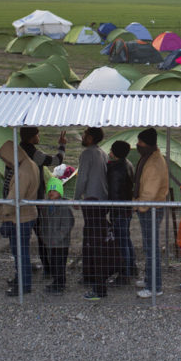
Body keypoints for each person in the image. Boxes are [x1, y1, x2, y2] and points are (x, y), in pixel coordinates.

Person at [18, 127, 66, 281]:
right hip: (35, 200)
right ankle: (48, 268)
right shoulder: (33, 153)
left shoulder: (17, 151)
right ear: (32, 137)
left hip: (20, 198)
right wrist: (62, 145)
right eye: (37, 135)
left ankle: (22, 268)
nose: (39, 137)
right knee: (42, 234)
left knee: (22, 237)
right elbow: (56, 161)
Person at [0, 140, 39, 297]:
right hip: (27, 214)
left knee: (20, 252)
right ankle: (21, 279)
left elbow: (14, 197)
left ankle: (24, 284)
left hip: (20, 217)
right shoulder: (30, 164)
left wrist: (4, 214)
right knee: (20, 251)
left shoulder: (22, 172)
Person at [132, 128, 169, 298]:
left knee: (151, 248)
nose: (137, 145)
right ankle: (149, 280)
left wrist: (139, 205)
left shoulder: (154, 163)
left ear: (147, 143)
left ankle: (155, 286)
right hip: (149, 208)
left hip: (151, 209)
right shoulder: (150, 157)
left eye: (140, 142)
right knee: (149, 247)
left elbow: (149, 193)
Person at [74, 127, 109, 301]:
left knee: (93, 241)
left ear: (91, 138)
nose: (82, 136)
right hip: (102, 200)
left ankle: (98, 284)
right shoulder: (103, 153)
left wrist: (76, 198)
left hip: (91, 200)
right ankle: (90, 275)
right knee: (94, 238)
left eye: (85, 134)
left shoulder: (87, 154)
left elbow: (82, 178)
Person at [107, 140, 135, 285]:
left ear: (115, 153)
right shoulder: (128, 164)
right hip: (127, 209)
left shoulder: (116, 170)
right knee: (126, 239)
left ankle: (124, 274)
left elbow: (114, 193)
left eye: (111, 150)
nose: (109, 153)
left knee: (121, 241)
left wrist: (109, 209)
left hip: (119, 211)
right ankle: (132, 268)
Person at [42, 177, 75, 294]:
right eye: (49, 191)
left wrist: (57, 238)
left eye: (54, 190)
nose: (51, 193)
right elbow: (43, 223)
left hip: (61, 243)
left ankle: (60, 284)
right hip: (50, 241)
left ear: (60, 192)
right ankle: (56, 282)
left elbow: (67, 225)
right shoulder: (46, 206)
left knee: (60, 264)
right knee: (53, 263)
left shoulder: (64, 208)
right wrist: (45, 237)